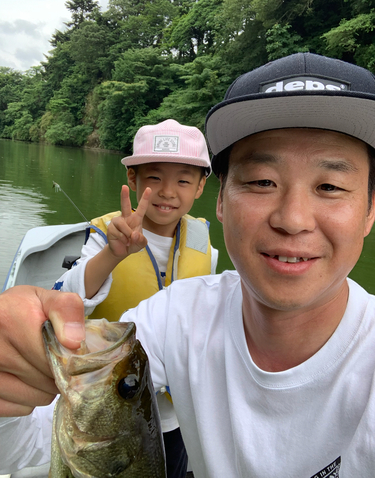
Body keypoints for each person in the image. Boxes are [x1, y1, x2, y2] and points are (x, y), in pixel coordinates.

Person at [2, 52, 375, 477]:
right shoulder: (173, 317)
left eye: (330, 186)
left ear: (369, 210)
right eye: (262, 182)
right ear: (220, 200)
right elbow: (29, 445)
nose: (292, 219)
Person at [52, 118, 218, 478]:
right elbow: (66, 297)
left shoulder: (205, 245)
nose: (168, 192)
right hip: (104, 404)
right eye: (154, 178)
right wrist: (113, 254)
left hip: (175, 415)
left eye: (184, 180)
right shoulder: (108, 235)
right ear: (133, 180)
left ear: (201, 186)